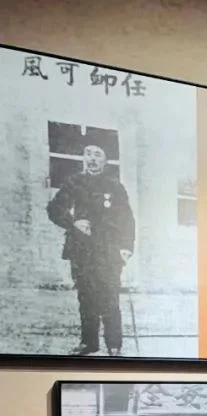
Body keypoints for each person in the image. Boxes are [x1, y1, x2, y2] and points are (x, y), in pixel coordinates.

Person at [46, 138, 135, 356]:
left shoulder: (115, 187)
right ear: (83, 158)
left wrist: (126, 247)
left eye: (97, 154)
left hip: (108, 250)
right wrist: (72, 223)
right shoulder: (73, 182)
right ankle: (89, 343)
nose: (92, 159)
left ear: (105, 160)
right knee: (86, 297)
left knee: (109, 297)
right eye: (88, 153)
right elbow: (54, 209)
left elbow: (127, 219)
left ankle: (114, 345)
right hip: (81, 249)